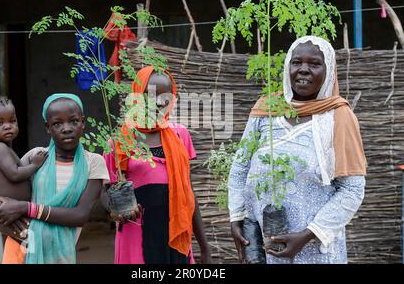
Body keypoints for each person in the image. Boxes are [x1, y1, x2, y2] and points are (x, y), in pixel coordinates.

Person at [228, 36, 367, 264]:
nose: (303, 70)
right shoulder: (267, 109)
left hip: (316, 250)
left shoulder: (338, 117)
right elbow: (240, 169)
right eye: (296, 63)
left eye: (314, 64)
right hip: (264, 246)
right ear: (287, 67)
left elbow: (352, 190)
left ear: (329, 69)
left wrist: (308, 235)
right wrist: (237, 217)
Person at [103, 66, 212, 264]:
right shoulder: (119, 142)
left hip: (175, 231)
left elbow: (188, 192)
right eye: (149, 95)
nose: (158, 103)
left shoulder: (180, 136)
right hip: (136, 232)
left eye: (165, 97)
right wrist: (117, 209)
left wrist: (205, 247)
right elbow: (106, 192)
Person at [0, 93, 109, 264]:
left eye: (73, 121)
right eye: (57, 123)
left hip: (58, 253)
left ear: (83, 122)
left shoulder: (94, 163)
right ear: (47, 127)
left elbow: (80, 215)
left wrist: (25, 208)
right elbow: (0, 187)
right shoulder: (36, 157)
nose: (66, 128)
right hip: (20, 248)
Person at [0, 97, 47, 201]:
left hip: (14, 209)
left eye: (12, 121)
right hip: (9, 211)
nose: (8, 126)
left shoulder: (3, 147)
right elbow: (15, 174)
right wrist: (35, 165)